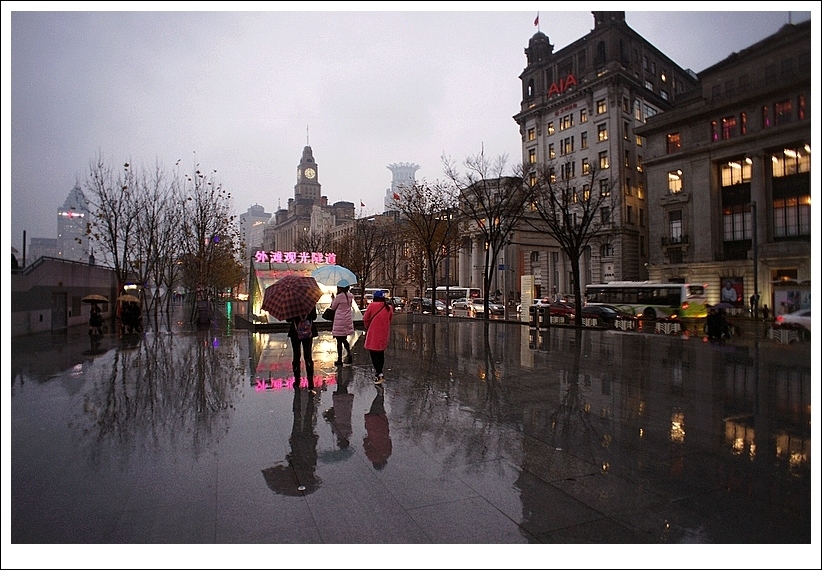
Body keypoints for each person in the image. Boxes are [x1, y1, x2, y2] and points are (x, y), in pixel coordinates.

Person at [362, 289, 394, 385]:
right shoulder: (389, 307)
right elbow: (390, 319)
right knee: (380, 353)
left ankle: (380, 374)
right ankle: (378, 372)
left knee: (373, 353)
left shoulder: (372, 306)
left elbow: (366, 318)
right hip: (384, 333)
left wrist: (368, 326)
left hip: (374, 332)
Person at [286, 307, 318, 392]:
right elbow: (314, 317)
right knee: (308, 356)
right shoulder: (309, 302)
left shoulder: (291, 303)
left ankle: (297, 381)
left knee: (296, 355)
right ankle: (310, 381)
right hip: (308, 331)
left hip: (295, 332)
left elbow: (288, 319)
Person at [363, 385, 392, 470]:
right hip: (373, 429)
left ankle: (380, 394)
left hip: (383, 428)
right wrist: (366, 439)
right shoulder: (372, 457)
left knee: (380, 407)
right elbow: (366, 446)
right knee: (374, 407)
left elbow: (389, 442)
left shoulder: (387, 454)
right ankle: (380, 394)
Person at [330, 279, 355, 366]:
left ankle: (339, 360)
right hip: (347, 320)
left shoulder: (339, 297)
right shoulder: (350, 296)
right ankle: (349, 353)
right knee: (344, 339)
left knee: (339, 341)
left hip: (339, 320)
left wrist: (333, 299)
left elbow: (333, 307)